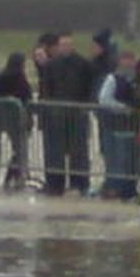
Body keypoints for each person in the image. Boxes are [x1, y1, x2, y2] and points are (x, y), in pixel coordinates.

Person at [41, 33, 95, 195]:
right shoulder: (51, 65)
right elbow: (46, 87)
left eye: (68, 45)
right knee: (54, 152)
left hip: (77, 114)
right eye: (62, 45)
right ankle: (54, 184)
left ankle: (80, 183)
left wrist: (85, 105)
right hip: (56, 115)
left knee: (78, 152)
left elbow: (89, 86)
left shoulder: (83, 64)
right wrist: (49, 107)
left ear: (73, 46)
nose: (65, 48)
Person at [96, 50, 140, 200]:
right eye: (126, 59)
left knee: (132, 160)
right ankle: (114, 188)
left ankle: (130, 188)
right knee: (117, 159)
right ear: (119, 62)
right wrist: (123, 108)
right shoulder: (112, 79)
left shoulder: (138, 80)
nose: (129, 63)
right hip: (115, 126)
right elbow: (104, 99)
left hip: (133, 127)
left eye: (131, 59)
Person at [0, 52, 34, 189]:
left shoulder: (2, 76)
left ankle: (14, 176)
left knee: (19, 150)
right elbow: (26, 95)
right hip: (18, 118)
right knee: (20, 149)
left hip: (7, 118)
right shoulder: (17, 77)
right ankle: (13, 176)